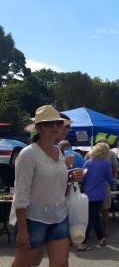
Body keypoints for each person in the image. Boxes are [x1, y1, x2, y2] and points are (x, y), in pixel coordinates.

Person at [10, 105, 80, 267]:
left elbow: (54, 180)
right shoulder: (28, 154)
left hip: (59, 216)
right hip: (32, 219)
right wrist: (22, 230)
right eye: (49, 124)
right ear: (39, 127)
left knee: (62, 264)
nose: (55, 127)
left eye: (57, 123)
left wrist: (71, 176)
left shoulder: (59, 152)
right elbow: (21, 194)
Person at [78, 142, 115, 251]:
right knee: (92, 217)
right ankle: (82, 243)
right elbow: (110, 179)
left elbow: (82, 178)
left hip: (86, 193)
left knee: (93, 216)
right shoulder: (106, 163)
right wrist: (114, 183)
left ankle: (101, 238)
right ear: (105, 152)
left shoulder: (88, 162)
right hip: (98, 194)